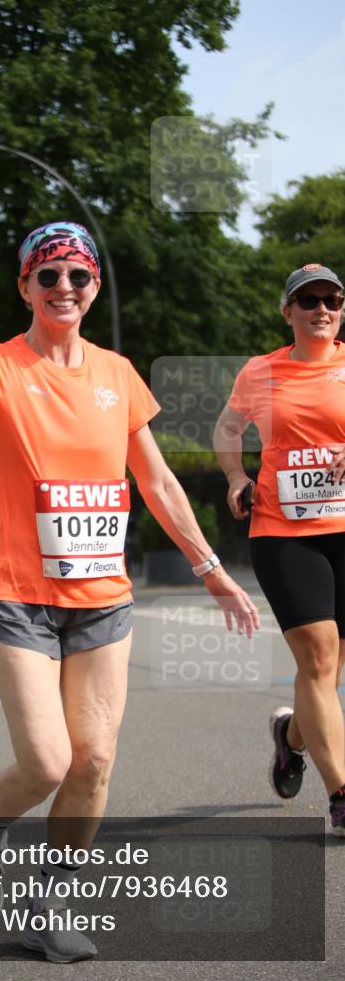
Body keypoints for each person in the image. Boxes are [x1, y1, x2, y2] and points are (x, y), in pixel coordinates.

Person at [0, 215, 259, 962]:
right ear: (25, 285)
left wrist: (210, 567)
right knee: (47, 763)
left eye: (77, 274)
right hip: (16, 596)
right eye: (47, 273)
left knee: (93, 760)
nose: (63, 285)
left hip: (102, 602)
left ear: (91, 288)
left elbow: (154, 481)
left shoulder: (117, 376)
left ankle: (46, 902)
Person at [214, 263, 345, 838]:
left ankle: (291, 736)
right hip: (284, 530)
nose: (322, 309)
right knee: (317, 660)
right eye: (308, 300)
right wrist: (235, 478)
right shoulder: (261, 371)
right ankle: (342, 794)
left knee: (333, 667)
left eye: (332, 299)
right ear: (287, 311)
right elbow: (226, 430)